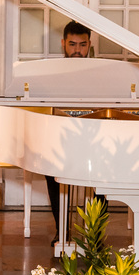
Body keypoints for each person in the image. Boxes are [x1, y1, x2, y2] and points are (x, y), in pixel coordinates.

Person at [45, 20, 93, 229]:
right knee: (50, 170)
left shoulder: (100, 72)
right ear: (63, 43)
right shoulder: (51, 71)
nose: (77, 50)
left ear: (89, 45)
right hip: (60, 136)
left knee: (104, 171)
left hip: (92, 136)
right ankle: (62, 230)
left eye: (82, 45)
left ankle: (95, 233)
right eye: (72, 44)